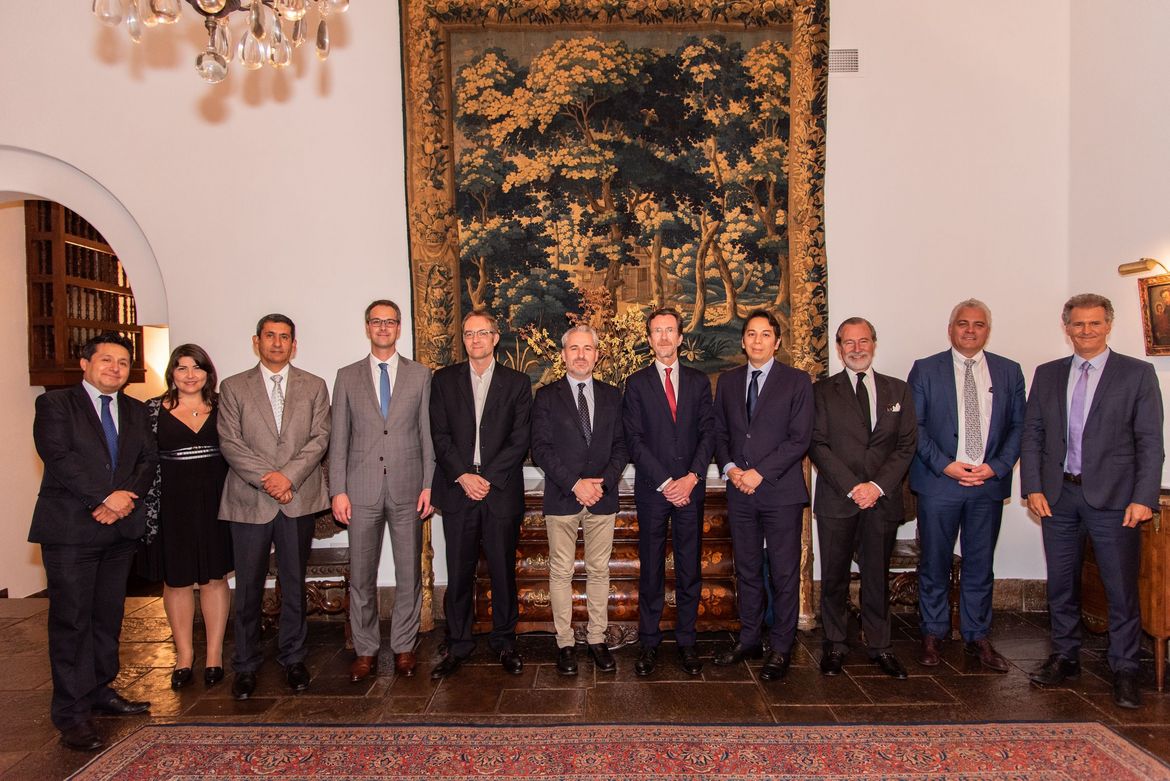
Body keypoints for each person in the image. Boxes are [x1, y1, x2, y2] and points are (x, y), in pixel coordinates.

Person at [1021, 293, 1164, 709]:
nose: (1086, 331)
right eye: (1079, 324)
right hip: (1058, 495)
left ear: (1108, 325)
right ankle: (1065, 657)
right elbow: (1032, 434)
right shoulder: (1047, 374)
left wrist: (1143, 497)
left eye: (1095, 323)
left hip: (1115, 499)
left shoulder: (1137, 374)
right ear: (1066, 327)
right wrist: (1033, 486)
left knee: (1120, 587)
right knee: (1061, 584)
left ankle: (1125, 668)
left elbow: (1150, 442)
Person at [29, 333, 158, 752]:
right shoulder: (55, 405)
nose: (115, 368)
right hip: (71, 531)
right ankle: (72, 713)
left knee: (107, 617)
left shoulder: (136, 410)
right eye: (106, 360)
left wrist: (121, 503)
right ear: (85, 364)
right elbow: (59, 457)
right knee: (72, 622)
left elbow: (147, 461)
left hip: (119, 530)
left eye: (122, 362)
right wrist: (104, 498)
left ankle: (101, 689)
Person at [907, 299, 1025, 671]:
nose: (970, 330)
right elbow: (915, 426)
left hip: (987, 485)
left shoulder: (1009, 371)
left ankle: (977, 636)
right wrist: (946, 466)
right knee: (934, 562)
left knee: (980, 563)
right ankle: (933, 633)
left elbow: (1020, 426)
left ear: (987, 330)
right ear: (951, 328)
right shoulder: (926, 369)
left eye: (978, 324)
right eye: (963, 323)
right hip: (939, 483)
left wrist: (995, 468)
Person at [218, 314, 331, 700]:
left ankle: (293, 657)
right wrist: (269, 479)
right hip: (250, 499)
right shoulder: (233, 387)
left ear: (294, 345)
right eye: (270, 336)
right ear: (257, 342)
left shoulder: (314, 386)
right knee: (248, 586)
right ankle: (246, 663)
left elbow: (320, 438)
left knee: (294, 583)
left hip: (297, 498)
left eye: (285, 337)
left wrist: (288, 478)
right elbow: (230, 442)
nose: (277, 343)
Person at [330, 300, 435, 682]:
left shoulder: (420, 375)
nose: (384, 327)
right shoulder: (347, 376)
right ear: (367, 327)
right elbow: (338, 439)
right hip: (360, 491)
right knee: (362, 576)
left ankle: (404, 646)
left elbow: (426, 434)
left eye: (390, 322)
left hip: (409, 488)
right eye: (377, 321)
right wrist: (337, 490)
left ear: (399, 327)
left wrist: (429, 484)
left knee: (408, 574)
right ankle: (365, 650)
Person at [809, 318, 916, 679]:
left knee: (876, 576)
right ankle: (835, 644)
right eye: (849, 343)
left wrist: (876, 487)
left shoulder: (898, 390)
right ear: (839, 348)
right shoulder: (822, 392)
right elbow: (817, 444)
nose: (857, 349)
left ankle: (880, 645)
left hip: (881, 500)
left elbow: (905, 446)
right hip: (838, 499)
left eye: (863, 341)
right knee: (834, 577)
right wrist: (854, 487)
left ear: (874, 344)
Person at [429, 309, 532, 679]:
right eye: (469, 333)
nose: (475, 339)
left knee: (503, 571)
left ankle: (504, 641)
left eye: (482, 333)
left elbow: (520, 438)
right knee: (459, 572)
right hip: (458, 490)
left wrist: (485, 478)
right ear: (464, 339)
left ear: (495, 337)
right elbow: (439, 434)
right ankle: (458, 643)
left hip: (499, 490)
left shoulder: (517, 383)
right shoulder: (444, 380)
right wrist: (463, 475)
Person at [712, 309, 813, 681]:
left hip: (780, 492)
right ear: (743, 341)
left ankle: (782, 647)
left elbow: (799, 439)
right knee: (748, 569)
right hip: (740, 491)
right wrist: (731, 468)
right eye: (751, 334)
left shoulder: (797, 381)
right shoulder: (727, 381)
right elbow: (720, 432)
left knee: (784, 572)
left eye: (765, 334)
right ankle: (750, 639)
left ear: (777, 341)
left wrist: (759, 472)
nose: (758, 341)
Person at [622, 307, 714, 677]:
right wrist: (665, 482)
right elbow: (634, 440)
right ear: (649, 339)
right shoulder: (636, 384)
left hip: (690, 490)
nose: (663, 337)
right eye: (657, 331)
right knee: (652, 570)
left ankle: (687, 641)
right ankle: (649, 642)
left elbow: (708, 433)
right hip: (653, 490)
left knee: (690, 568)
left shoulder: (698, 382)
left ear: (680, 337)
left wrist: (691, 477)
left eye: (669, 330)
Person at [531, 324, 628, 676]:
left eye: (588, 348)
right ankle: (565, 643)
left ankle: (597, 639)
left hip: (602, 496)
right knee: (561, 572)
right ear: (563, 354)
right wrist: (575, 484)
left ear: (597, 355)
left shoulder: (612, 395)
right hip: (563, 496)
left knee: (599, 570)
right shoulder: (546, 396)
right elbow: (540, 448)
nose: (581, 355)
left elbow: (622, 445)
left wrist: (602, 483)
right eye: (574, 348)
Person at [143, 345, 233, 691]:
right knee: (177, 581)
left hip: (217, 503)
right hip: (172, 505)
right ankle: (184, 656)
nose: (190, 375)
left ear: (208, 373)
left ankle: (214, 656)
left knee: (214, 578)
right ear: (172, 374)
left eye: (197, 368)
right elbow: (142, 459)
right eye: (182, 368)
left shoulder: (224, 406)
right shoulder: (153, 410)